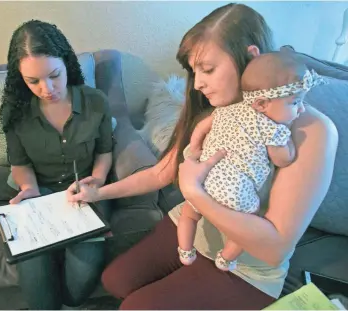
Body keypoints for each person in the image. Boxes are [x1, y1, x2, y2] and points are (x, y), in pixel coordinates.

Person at [67, 3, 338, 309]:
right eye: (194, 71)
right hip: (193, 227)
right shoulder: (219, 108)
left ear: (251, 56)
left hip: (245, 265)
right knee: (114, 281)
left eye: (207, 69)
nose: (197, 83)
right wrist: (98, 193)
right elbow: (161, 173)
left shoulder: (311, 130)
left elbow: (275, 247)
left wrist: (195, 191)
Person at [0, 20, 113, 310]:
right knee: (34, 275)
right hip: (39, 190)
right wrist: (29, 188)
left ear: (67, 63)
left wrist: (98, 181)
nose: (46, 89)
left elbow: (104, 152)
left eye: (54, 76)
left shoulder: (95, 101)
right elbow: (20, 162)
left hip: (85, 188)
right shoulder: (17, 113)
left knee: (84, 270)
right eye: (33, 81)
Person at [177, 52, 326, 271]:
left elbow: (200, 128)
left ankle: (185, 250)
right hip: (236, 191)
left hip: (206, 179)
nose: (301, 109)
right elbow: (283, 160)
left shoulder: (226, 110)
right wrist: (289, 143)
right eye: (295, 102)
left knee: (188, 215)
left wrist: (196, 149)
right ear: (261, 104)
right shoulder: (272, 129)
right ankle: (226, 259)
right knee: (248, 222)